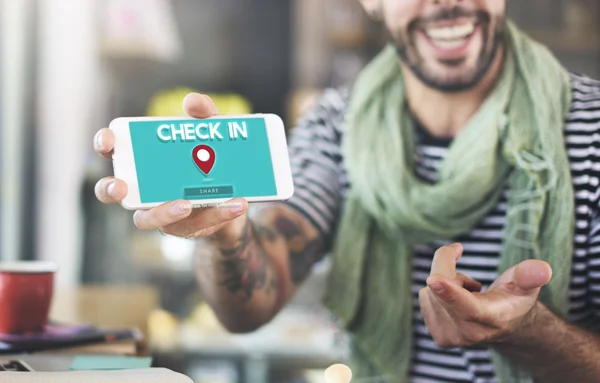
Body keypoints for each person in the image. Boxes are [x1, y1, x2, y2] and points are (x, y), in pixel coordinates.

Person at [93, 0, 600, 381]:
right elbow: (248, 306)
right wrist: (227, 236)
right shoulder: (335, 124)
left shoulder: (592, 127)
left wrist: (532, 333)